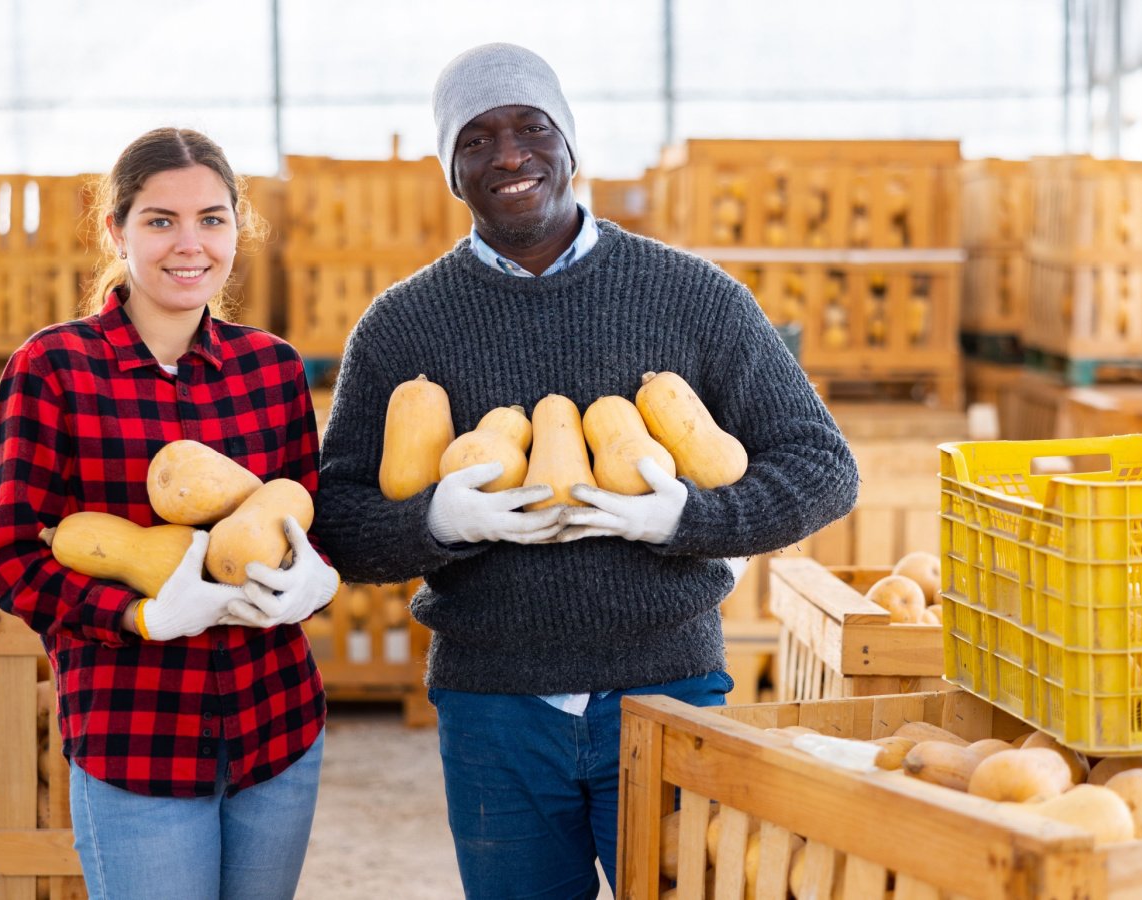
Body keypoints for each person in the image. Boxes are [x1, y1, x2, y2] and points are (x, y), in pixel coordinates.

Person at [311, 43, 859, 897]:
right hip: (493, 701)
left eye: (532, 128)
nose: (509, 155)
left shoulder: (690, 294)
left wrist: (689, 520)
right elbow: (337, 518)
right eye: (476, 140)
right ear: (453, 173)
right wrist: (433, 525)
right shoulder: (402, 326)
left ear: (571, 143)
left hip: (668, 687)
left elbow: (825, 466)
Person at [0, 127, 338, 900]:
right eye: (160, 220)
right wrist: (141, 615)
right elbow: (13, 561)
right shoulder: (52, 368)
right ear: (116, 230)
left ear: (239, 229)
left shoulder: (272, 368)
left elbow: (310, 520)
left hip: (276, 726)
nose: (191, 245)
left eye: (213, 219)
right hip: (136, 739)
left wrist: (317, 580)